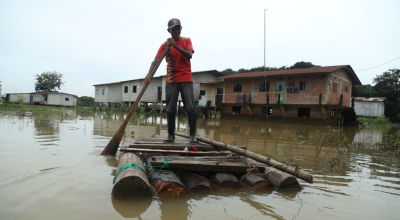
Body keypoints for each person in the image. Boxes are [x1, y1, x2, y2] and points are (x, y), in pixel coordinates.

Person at [143, 18, 198, 144]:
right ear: (169, 31)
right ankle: (171, 135)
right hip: (171, 79)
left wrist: (175, 46)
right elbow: (156, 60)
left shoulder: (186, 40)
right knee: (170, 108)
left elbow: (189, 55)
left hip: (186, 78)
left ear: (181, 29)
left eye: (178, 28)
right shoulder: (164, 45)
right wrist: (148, 75)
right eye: (173, 29)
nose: (176, 31)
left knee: (190, 107)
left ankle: (192, 135)